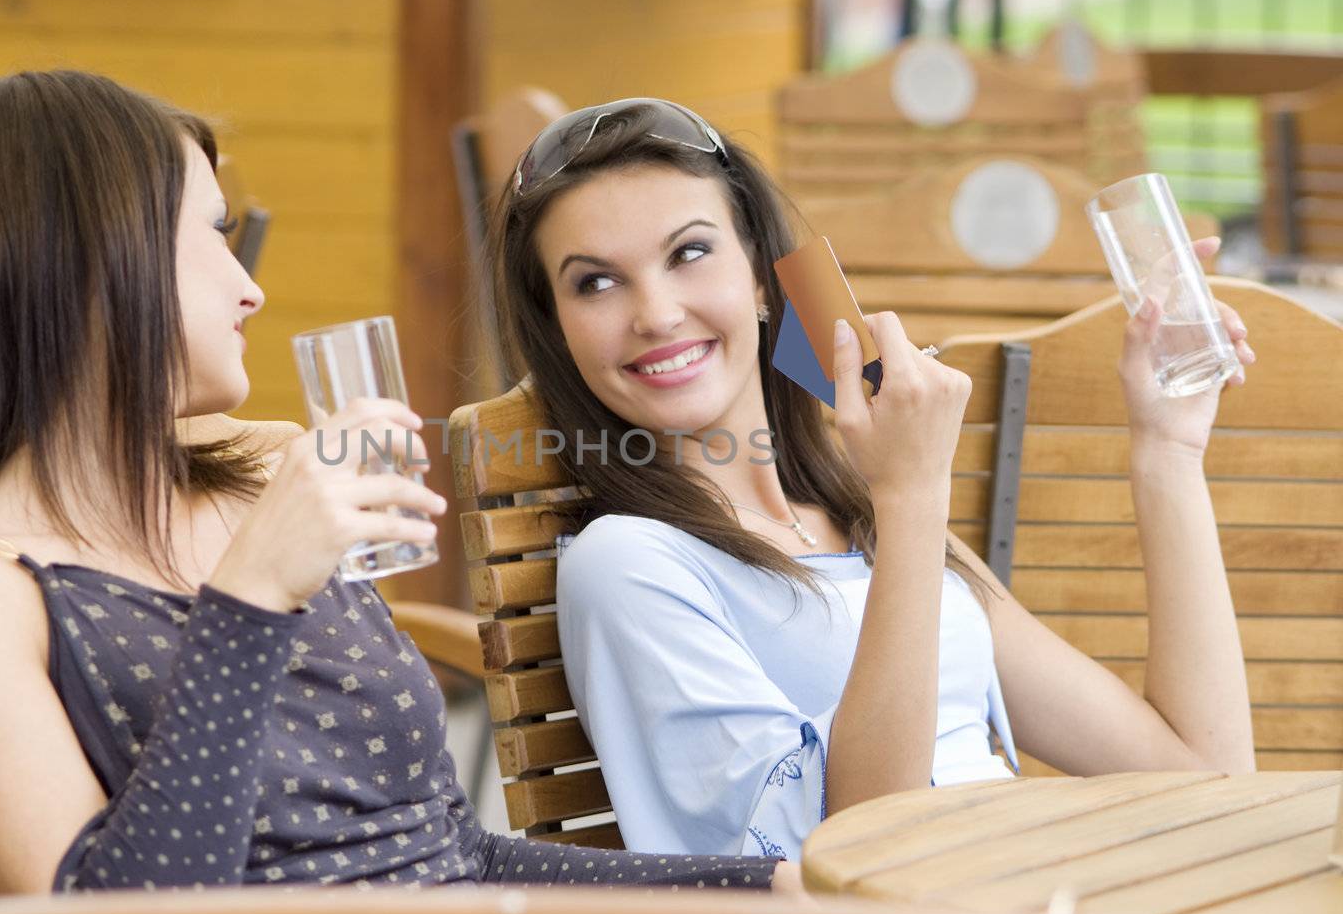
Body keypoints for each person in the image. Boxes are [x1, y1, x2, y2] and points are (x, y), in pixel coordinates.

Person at [0, 72, 795, 894]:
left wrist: (770, 889)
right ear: (82, 265)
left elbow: (448, 858)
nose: (247, 285)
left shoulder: (261, 467)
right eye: (210, 235)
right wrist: (251, 595)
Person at [486, 98, 1258, 859]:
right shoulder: (630, 563)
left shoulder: (863, 515)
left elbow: (1204, 781)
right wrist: (913, 494)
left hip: (1041, 903)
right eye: (595, 283)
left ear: (760, 276)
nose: (655, 313)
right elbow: (853, 860)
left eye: (688, 253)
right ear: (557, 329)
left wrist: (1168, 452)